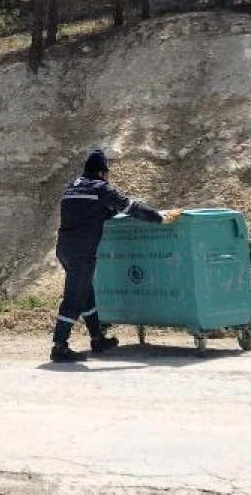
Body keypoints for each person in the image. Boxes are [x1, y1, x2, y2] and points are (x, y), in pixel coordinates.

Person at [51, 149, 181, 363]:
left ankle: (97, 339)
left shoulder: (71, 188)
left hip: (64, 249)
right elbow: (129, 206)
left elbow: (90, 212)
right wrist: (158, 218)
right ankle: (59, 346)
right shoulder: (100, 188)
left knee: (85, 293)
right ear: (102, 173)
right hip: (82, 252)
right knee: (74, 298)